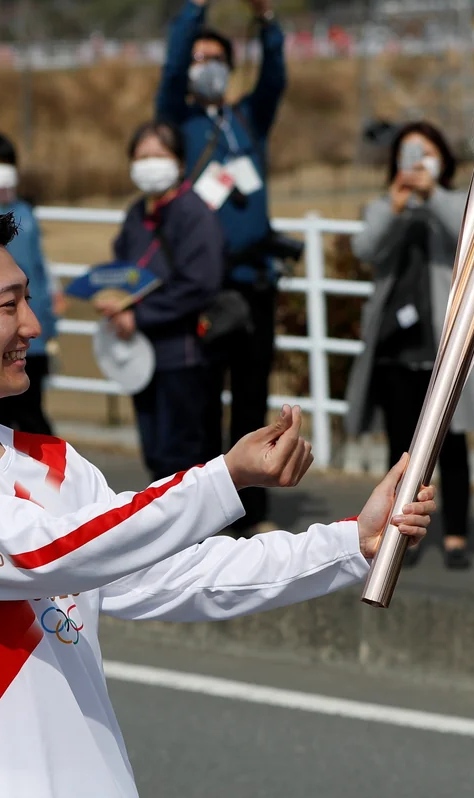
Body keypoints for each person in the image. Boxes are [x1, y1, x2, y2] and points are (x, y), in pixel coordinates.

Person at [0, 208, 436, 798]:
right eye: (8, 305)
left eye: (28, 301)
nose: (33, 326)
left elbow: (174, 572)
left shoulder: (51, 464)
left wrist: (351, 542)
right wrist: (225, 477)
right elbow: (44, 554)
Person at [156, 0, 287, 536]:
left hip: (256, 280)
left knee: (253, 396)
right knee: (204, 396)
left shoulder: (248, 118)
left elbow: (274, 80)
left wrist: (267, 23)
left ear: (231, 68)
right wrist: (194, 11)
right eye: (198, 59)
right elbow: (169, 74)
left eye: (215, 58)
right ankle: (209, 514)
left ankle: (254, 510)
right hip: (206, 284)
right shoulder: (178, 121)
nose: (205, 66)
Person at [345, 121, 474, 570]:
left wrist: (431, 195)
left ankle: (456, 535)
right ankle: (401, 533)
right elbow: (366, 249)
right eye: (409, 153)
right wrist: (396, 206)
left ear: (442, 159)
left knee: (454, 446)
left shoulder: (458, 202)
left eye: (426, 153)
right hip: (395, 348)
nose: (417, 162)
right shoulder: (383, 206)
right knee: (402, 451)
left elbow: (471, 231)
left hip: (446, 347)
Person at [98, 121, 224, 482]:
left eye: (159, 155)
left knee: (184, 456)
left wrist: (139, 315)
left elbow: (199, 284)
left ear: (180, 163)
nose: (150, 165)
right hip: (140, 354)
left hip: (183, 354)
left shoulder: (194, 213)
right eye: (142, 157)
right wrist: (113, 301)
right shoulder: (137, 213)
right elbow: (123, 269)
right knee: (155, 452)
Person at [0, 130, 60, 436]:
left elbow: (39, 265)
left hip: (31, 327)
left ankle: (48, 466)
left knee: (31, 410)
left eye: (5, 163)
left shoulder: (26, 212)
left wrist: (52, 304)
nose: (0, 170)